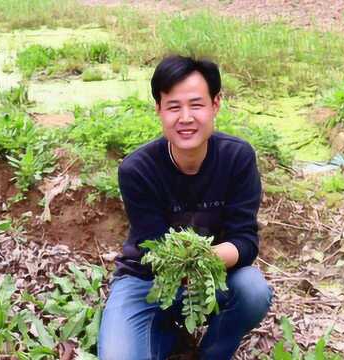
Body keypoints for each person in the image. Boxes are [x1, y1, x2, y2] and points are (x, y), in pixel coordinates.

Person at [98, 55, 272, 360]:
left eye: (196, 104)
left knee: (253, 290)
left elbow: (245, 241)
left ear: (216, 104)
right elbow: (153, 249)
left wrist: (207, 258)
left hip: (215, 276)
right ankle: (166, 333)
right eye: (174, 107)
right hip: (146, 281)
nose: (186, 117)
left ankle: (210, 353)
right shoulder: (137, 170)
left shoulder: (238, 158)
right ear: (159, 110)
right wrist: (191, 263)